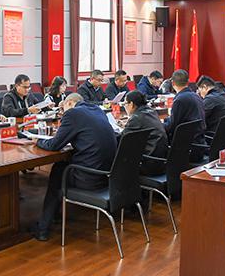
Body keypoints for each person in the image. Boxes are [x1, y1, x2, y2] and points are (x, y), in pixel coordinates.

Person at [32, 93, 117, 241]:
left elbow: (54, 145)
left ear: (70, 103)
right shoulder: (97, 110)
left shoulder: (72, 114)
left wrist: (37, 141)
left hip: (88, 178)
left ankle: (43, 228)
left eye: (63, 108)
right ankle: (54, 216)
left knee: (58, 170)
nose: (63, 112)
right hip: (107, 175)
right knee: (62, 167)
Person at [122, 90, 168, 173]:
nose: (124, 106)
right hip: (162, 160)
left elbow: (123, 139)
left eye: (125, 104)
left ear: (131, 104)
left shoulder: (136, 118)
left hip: (149, 163)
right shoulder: (152, 112)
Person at [164, 69, 205, 144]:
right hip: (198, 140)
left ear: (173, 83)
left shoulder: (180, 100)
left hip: (185, 143)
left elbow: (171, 126)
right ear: (188, 82)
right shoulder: (196, 96)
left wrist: (158, 125)